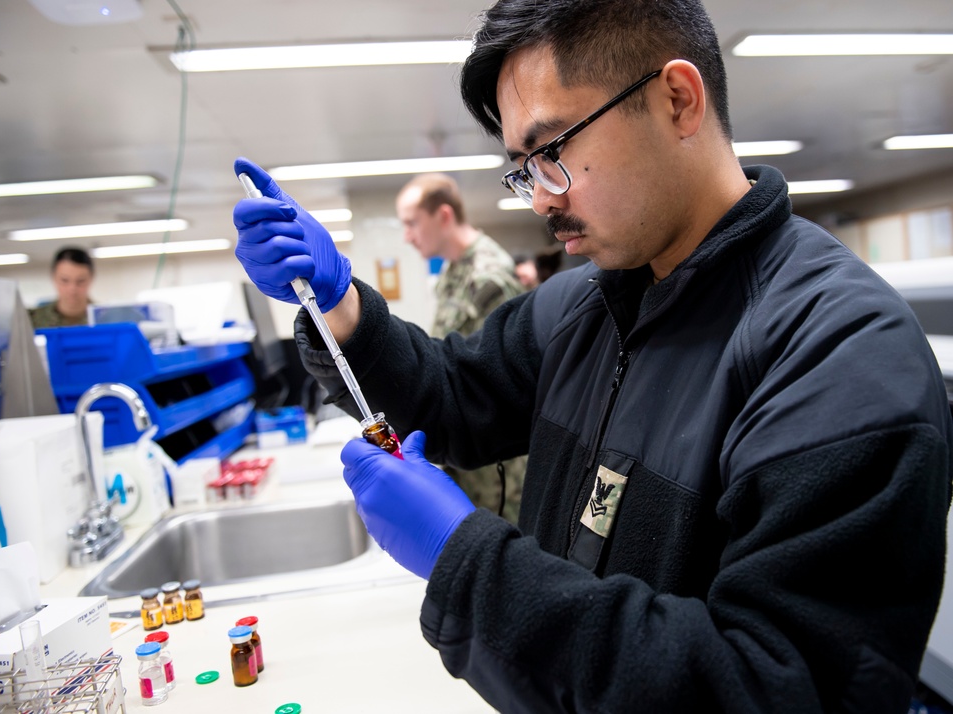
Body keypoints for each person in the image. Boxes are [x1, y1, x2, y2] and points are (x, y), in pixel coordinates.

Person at [231, 0, 953, 711]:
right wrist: (336, 306)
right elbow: (449, 395)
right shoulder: (582, 305)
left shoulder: (840, 353)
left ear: (677, 100)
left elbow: (768, 686)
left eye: (552, 153)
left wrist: (469, 563)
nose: (540, 201)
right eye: (523, 168)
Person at [396, 173, 527, 522]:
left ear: (443, 216)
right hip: (466, 463)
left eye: (412, 223)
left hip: (496, 477)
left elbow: (506, 385)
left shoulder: (489, 277)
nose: (407, 236)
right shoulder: (454, 271)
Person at [28, 246, 95, 328]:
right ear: (54, 278)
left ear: (91, 279)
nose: (72, 289)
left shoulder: (106, 318)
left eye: (80, 281)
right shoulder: (32, 321)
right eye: (64, 280)